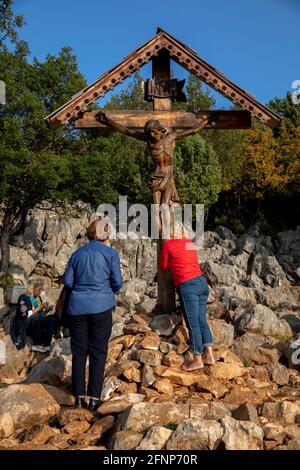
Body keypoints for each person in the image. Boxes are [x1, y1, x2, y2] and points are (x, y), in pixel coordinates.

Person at [63, 219, 122, 411]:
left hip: (77, 308)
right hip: (102, 306)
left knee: (79, 353)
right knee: (98, 352)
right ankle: (94, 398)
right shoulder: (111, 254)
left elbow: (68, 281)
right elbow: (118, 283)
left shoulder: (77, 254)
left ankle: (78, 397)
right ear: (106, 234)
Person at [160, 230, 215, 371]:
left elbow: (163, 267)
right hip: (202, 282)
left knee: (193, 323)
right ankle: (209, 354)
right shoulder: (189, 242)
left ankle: (197, 359)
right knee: (202, 320)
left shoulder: (168, 244)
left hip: (188, 284)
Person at [10, 279, 57, 353]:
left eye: (41, 290)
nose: (40, 292)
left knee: (51, 319)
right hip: (25, 323)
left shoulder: (38, 298)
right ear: (32, 288)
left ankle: (46, 344)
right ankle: (37, 344)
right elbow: (24, 315)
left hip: (35, 323)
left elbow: (41, 315)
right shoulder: (23, 298)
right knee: (36, 317)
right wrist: (40, 307)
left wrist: (48, 309)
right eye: (39, 289)